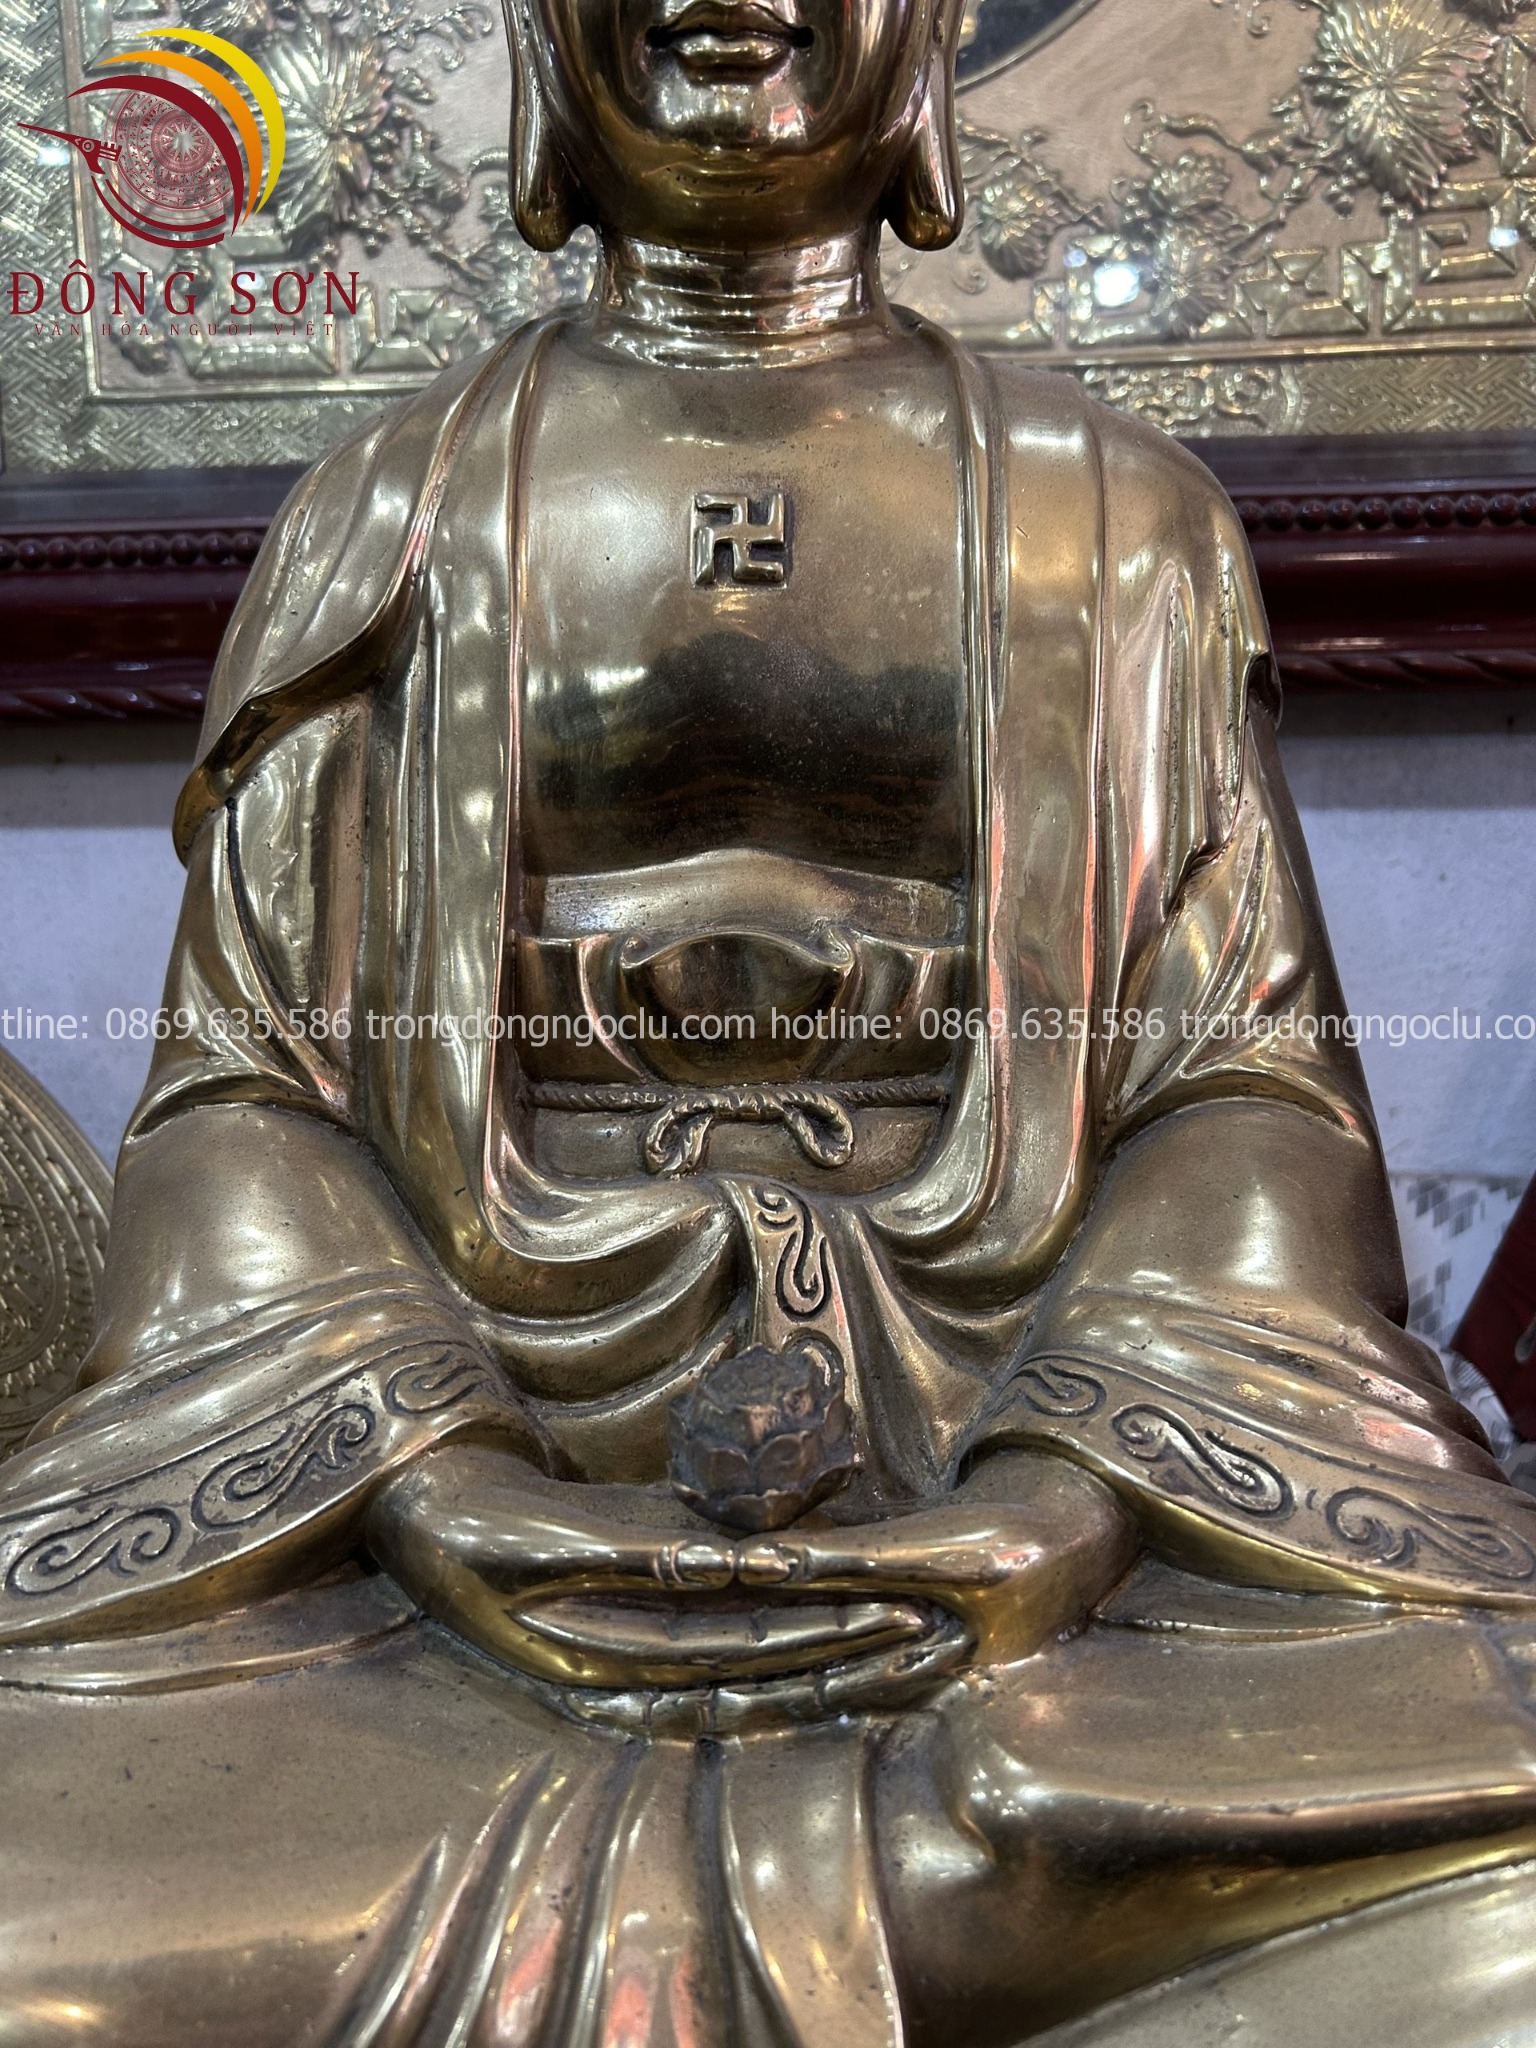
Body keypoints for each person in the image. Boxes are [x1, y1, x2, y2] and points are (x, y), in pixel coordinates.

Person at [1, 0, 1534, 2038]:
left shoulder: (1117, 518)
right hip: (446, 1496)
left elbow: (1243, 1088)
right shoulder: (388, 513)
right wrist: (439, 1491)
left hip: (1037, 1474)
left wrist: (1068, 1503)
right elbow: (244, 1098)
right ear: (541, 39)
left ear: (932, 37)